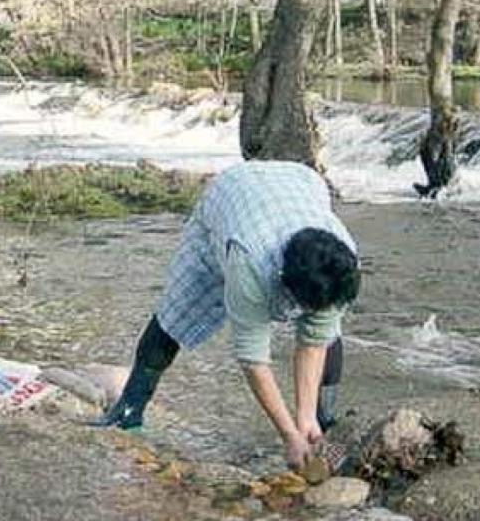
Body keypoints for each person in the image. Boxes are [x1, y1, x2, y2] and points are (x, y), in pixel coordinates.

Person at [94, 161, 360, 470]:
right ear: (286, 283)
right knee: (178, 311)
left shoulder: (342, 264)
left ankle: (322, 420)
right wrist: (288, 434)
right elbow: (253, 359)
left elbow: (315, 341)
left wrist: (305, 417)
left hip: (299, 185)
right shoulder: (249, 260)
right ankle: (128, 410)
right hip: (231, 198)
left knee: (327, 331)